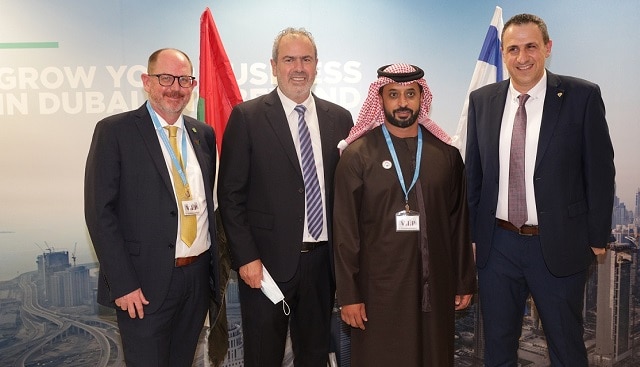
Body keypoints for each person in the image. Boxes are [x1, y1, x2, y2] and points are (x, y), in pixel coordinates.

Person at [465, 14, 615, 367]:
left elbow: (600, 172)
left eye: (531, 46)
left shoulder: (582, 96)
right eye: (513, 49)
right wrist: (474, 235)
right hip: (498, 246)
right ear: (503, 54)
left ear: (547, 48)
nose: (522, 57)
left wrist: (597, 238)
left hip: (560, 243)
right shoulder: (482, 101)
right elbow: (475, 175)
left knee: (566, 347)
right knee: (498, 348)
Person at [217, 27, 353, 367]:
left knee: (314, 357)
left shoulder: (340, 119)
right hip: (265, 267)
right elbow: (230, 196)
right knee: (263, 357)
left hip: (323, 265)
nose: (298, 68)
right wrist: (246, 257)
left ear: (317, 65)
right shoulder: (247, 117)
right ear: (274, 65)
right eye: (289, 59)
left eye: (306, 59)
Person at [333, 63, 476, 367]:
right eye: (393, 94)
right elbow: (345, 233)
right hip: (376, 293)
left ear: (421, 98)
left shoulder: (446, 155)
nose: (402, 103)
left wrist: (464, 280)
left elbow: (458, 223)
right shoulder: (358, 156)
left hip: (434, 288)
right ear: (380, 99)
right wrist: (348, 295)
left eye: (410, 94)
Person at [84, 48, 221, 367]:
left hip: (196, 279)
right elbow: (99, 213)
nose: (175, 87)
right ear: (147, 81)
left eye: (184, 79)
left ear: (193, 85)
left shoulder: (204, 134)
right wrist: (123, 283)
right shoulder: (115, 132)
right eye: (166, 78)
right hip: (142, 285)